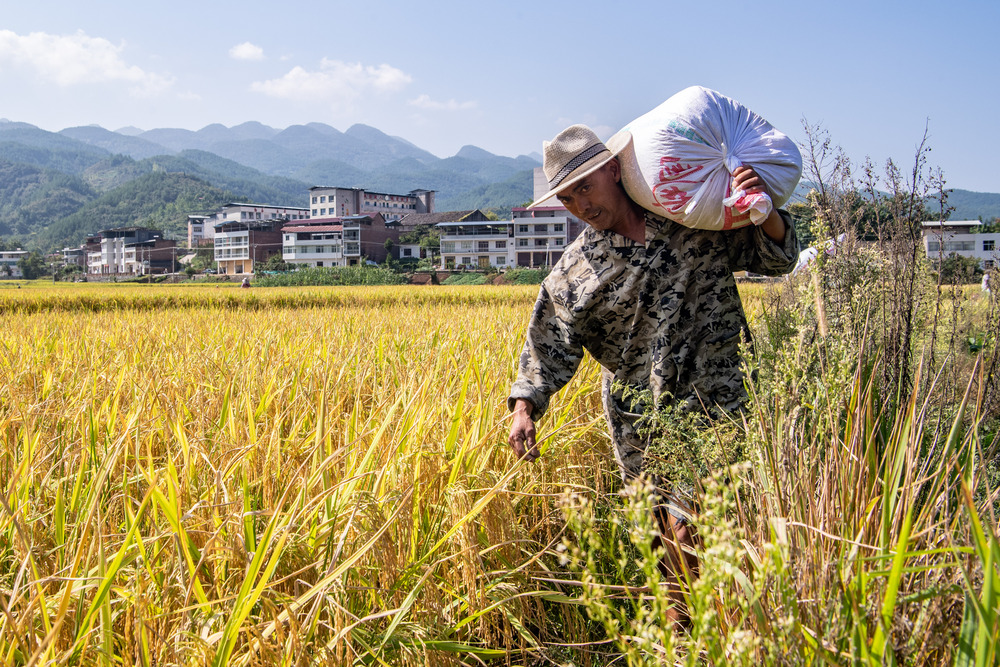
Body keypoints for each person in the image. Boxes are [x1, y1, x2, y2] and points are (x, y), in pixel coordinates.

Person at [506, 124, 799, 625]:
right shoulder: (575, 272)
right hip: (640, 419)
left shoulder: (690, 219)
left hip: (720, 399)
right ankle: (689, 636)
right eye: (568, 196)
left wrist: (764, 211)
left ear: (614, 171)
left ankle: (691, 639)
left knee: (693, 531)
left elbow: (776, 256)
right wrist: (523, 410)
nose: (580, 203)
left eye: (585, 186)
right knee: (665, 538)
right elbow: (547, 345)